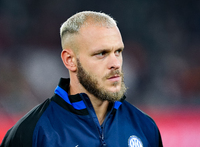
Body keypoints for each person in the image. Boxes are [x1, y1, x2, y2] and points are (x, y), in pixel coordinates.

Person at [1, 11, 163, 147]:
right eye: (101, 53)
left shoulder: (145, 127)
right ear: (70, 60)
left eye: (118, 52)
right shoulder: (33, 131)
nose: (115, 63)